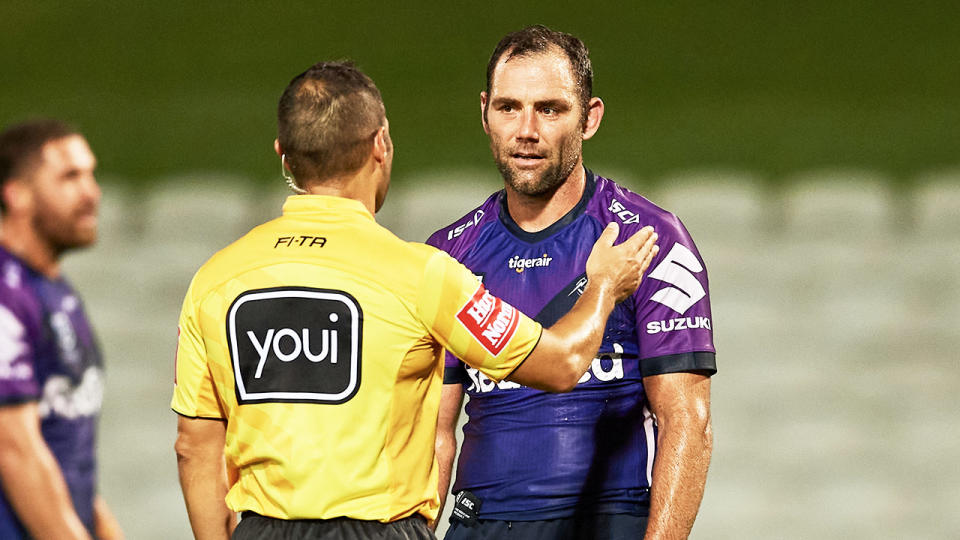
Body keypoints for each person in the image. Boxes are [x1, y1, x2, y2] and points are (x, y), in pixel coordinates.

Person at [172, 61, 659, 540]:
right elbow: (562, 364)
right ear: (380, 145)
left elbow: (195, 448)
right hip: (383, 530)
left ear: (283, 154)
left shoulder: (215, 280)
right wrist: (603, 286)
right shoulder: (422, 274)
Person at [427, 25, 717, 540]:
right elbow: (434, 433)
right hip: (481, 526)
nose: (526, 130)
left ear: (590, 118)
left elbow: (687, 423)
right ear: (484, 113)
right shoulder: (449, 253)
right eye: (509, 107)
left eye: (551, 109)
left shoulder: (651, 239)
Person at [0, 119, 124, 540]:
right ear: (16, 195)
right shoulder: (5, 295)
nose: (92, 192)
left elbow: (65, 450)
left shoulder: (52, 291)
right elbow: (15, 451)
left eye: (90, 174)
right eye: (70, 177)